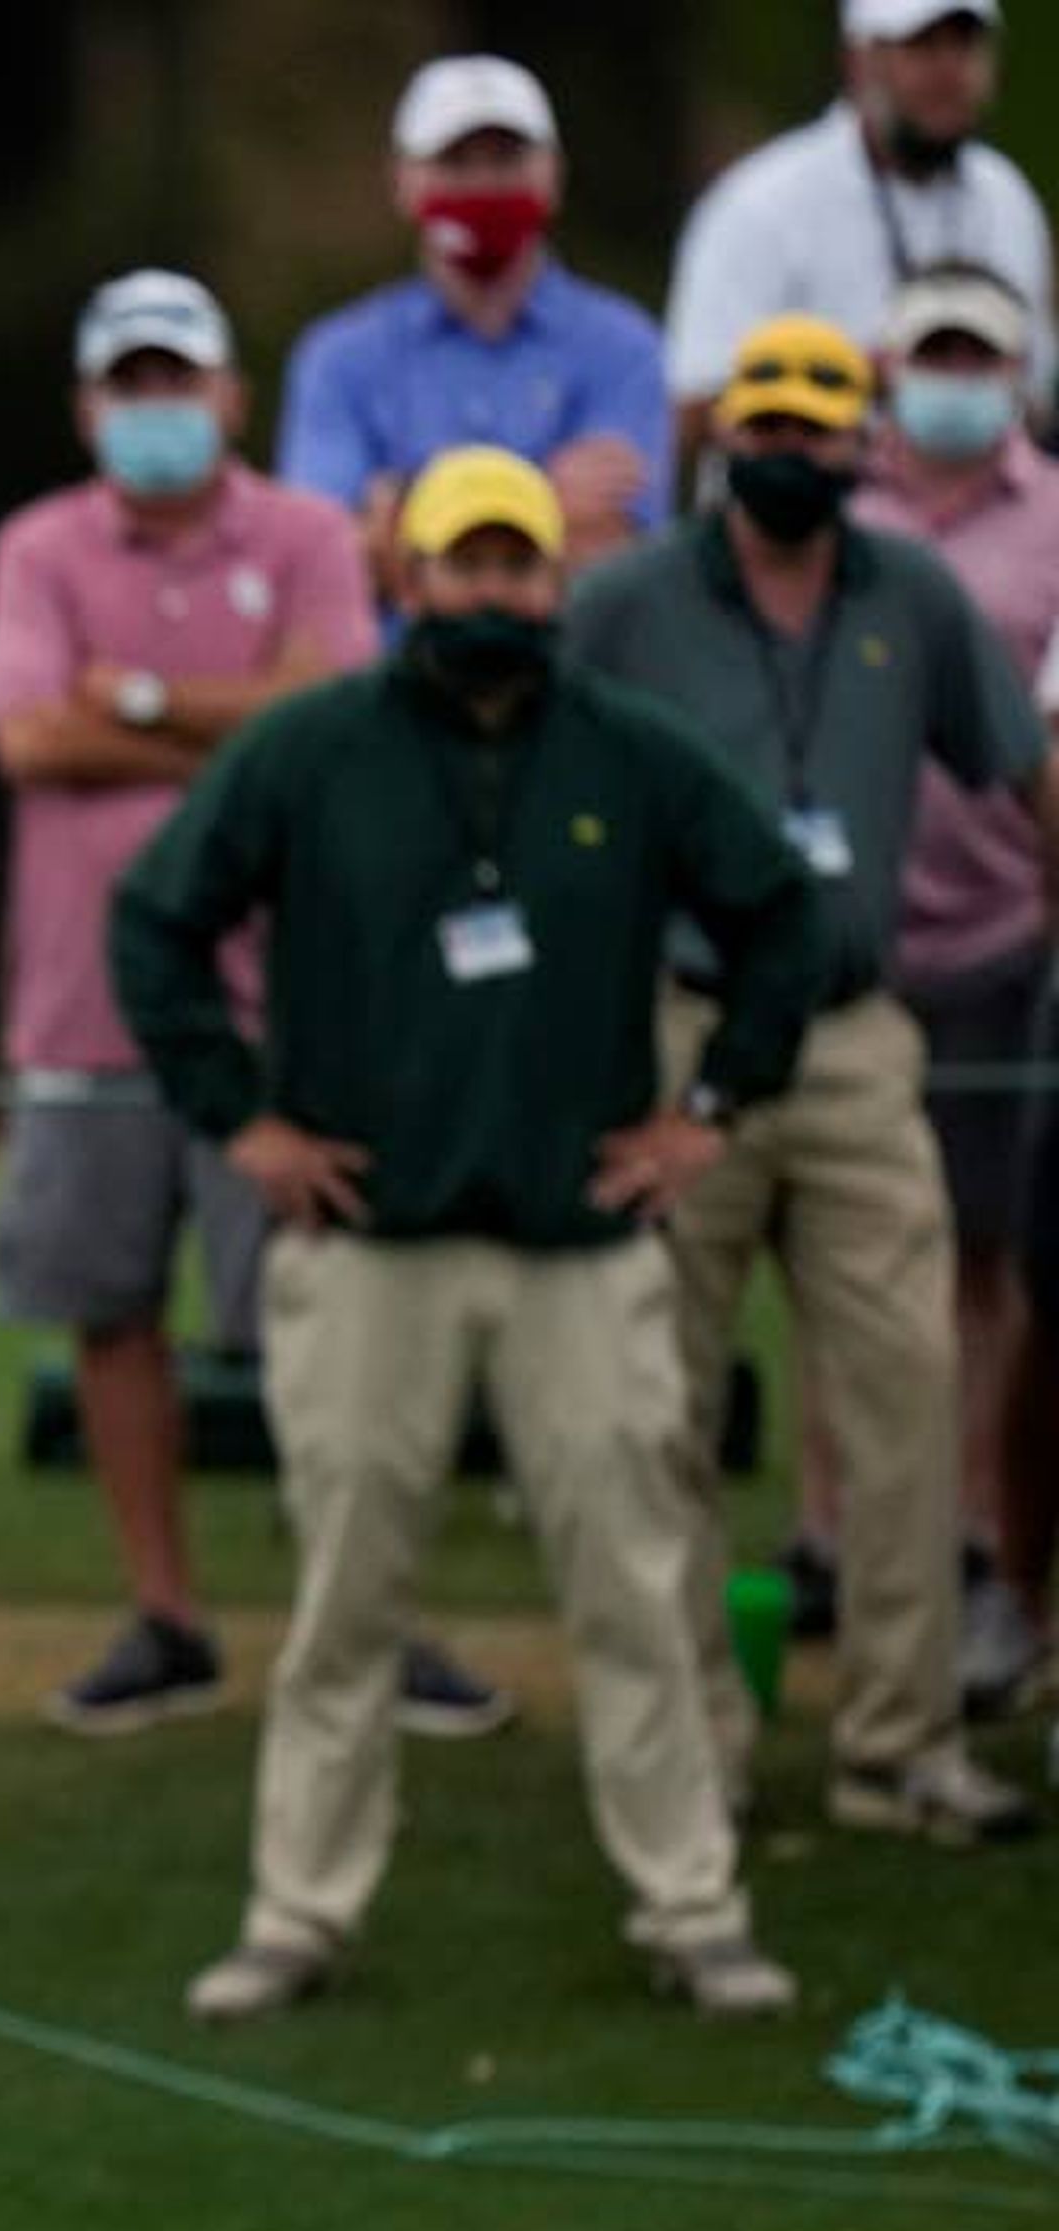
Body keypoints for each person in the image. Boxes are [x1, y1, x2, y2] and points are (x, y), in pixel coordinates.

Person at [110, 447, 823, 2023]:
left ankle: (692, 1908)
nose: (493, 594)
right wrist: (244, 1121)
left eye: (519, 568)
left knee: (639, 1594)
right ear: (408, 578)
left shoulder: (634, 753)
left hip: (587, 1252)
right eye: (464, 566)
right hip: (370, 1247)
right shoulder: (310, 749)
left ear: (555, 582)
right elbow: (156, 918)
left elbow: (786, 914)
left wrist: (714, 1104)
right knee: (346, 1602)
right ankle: (299, 1913)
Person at [0, 273, 514, 1737]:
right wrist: (237, 714)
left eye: (180, 380)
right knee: (109, 1313)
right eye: (127, 384)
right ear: (92, 405)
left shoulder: (306, 537)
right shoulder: (35, 547)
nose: (156, 409)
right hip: (87, 1006)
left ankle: (370, 1614)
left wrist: (138, 704)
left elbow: (336, 728)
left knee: (329, 1323)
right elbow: (29, 735)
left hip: (286, 1005)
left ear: (231, 395)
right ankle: (167, 1618)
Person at [561, 315, 1044, 1845]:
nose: (785, 447)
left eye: (815, 424)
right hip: (677, 1040)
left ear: (865, 442)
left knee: (907, 1390)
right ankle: (691, 1740)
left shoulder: (915, 593)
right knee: (667, 1407)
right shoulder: (631, 600)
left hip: (851, 1033)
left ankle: (899, 1747)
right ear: (726, 440)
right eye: (760, 423)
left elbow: (1031, 777)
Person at [851, 262, 1059, 1718]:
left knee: (1002, 1269)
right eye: (933, 354)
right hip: (852, 952)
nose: (955, 380)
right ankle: (851, 1548)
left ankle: (996, 1556)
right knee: (853, 1269)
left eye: (979, 357)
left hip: (1009, 940)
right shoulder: (831, 514)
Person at [276, 56, 669, 591]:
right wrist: (547, 502)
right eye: (455, 160)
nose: (484, 182)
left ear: (552, 172)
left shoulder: (627, 346)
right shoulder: (339, 356)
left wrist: (404, 513)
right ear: (402, 180)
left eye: (506, 158)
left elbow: (617, 556)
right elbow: (326, 560)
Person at [665, 2, 1055, 474]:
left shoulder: (1007, 199)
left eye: (965, 45)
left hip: (981, 522)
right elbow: (693, 404)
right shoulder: (761, 204)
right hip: (800, 520)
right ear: (858, 60)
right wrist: (843, 385)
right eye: (923, 47)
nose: (949, 70)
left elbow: (1034, 396)